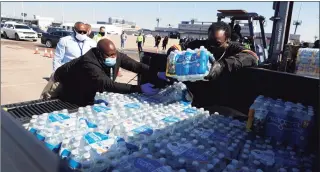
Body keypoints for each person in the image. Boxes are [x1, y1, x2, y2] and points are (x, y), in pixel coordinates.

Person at [167, 21, 258, 108]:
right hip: (198, 95)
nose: (211, 46)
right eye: (210, 41)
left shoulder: (233, 47)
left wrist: (222, 65)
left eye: (217, 43)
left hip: (222, 99)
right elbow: (180, 46)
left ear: (227, 40)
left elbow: (252, 56)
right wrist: (173, 51)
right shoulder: (202, 45)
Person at [53, 38, 167, 106]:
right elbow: (107, 84)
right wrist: (139, 89)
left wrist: (155, 73)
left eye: (114, 54)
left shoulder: (115, 54)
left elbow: (135, 65)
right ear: (98, 53)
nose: (113, 57)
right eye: (109, 55)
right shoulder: (88, 63)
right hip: (66, 84)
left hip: (86, 87)